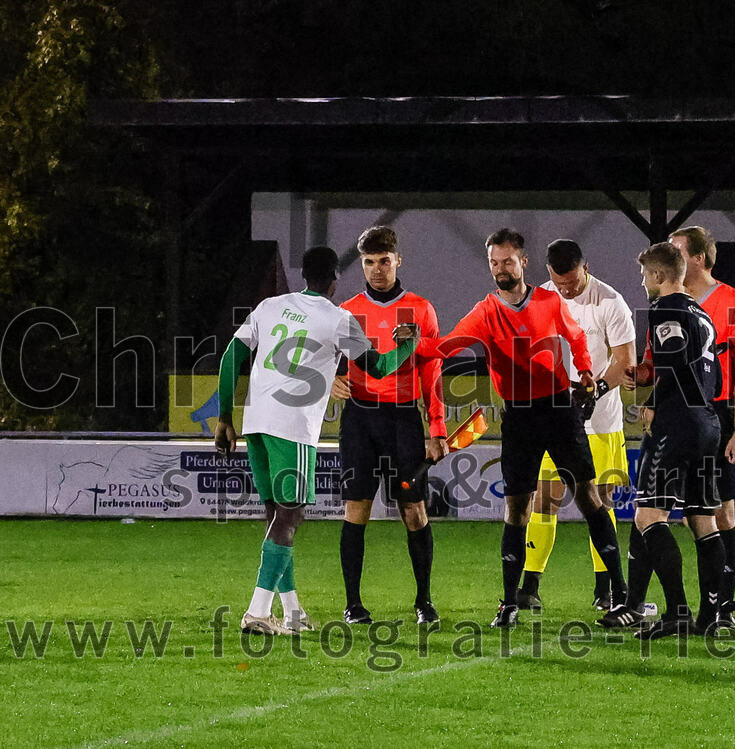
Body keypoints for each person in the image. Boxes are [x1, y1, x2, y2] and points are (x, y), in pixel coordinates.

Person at [416, 228, 628, 628]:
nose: (500, 269)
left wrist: (584, 371)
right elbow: (445, 348)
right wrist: (416, 345)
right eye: (494, 263)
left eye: (507, 262)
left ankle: (620, 593)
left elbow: (576, 336)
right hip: (519, 418)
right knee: (518, 508)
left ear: (523, 262)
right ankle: (511, 601)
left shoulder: (548, 300)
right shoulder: (485, 311)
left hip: (560, 410)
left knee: (589, 497)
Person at [215, 245, 418, 636]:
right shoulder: (339, 319)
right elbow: (377, 367)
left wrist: (224, 417)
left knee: (276, 516)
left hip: (255, 423)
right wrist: (407, 345)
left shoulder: (269, 306)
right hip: (293, 428)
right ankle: (257, 611)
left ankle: (291, 612)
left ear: (304, 274)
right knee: (290, 515)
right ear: (335, 280)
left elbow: (229, 357)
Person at [601, 241, 726, 639]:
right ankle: (713, 615)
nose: (642, 282)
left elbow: (670, 365)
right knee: (702, 518)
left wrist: (653, 403)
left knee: (647, 515)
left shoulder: (665, 309)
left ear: (658, 276)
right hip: (708, 421)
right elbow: (716, 376)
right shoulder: (700, 311)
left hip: (678, 424)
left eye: (644, 275)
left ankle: (676, 612)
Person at [331, 227, 448, 626]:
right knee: (355, 508)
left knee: (413, 510)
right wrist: (327, 379)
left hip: (402, 417)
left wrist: (437, 428)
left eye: (384, 261)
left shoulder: (420, 309)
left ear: (398, 260)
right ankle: (353, 604)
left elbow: (432, 370)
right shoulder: (346, 311)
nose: (377, 270)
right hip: (360, 418)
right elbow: (318, 358)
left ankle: (424, 601)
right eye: (369, 262)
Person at [516, 239, 636, 612]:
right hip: (554, 418)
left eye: (571, 281)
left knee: (600, 501)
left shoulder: (610, 302)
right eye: (559, 281)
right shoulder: (540, 300)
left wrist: (595, 389)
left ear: (585, 267)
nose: (565, 289)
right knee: (545, 498)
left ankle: (606, 588)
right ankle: (530, 586)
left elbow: (625, 360)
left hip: (600, 421)